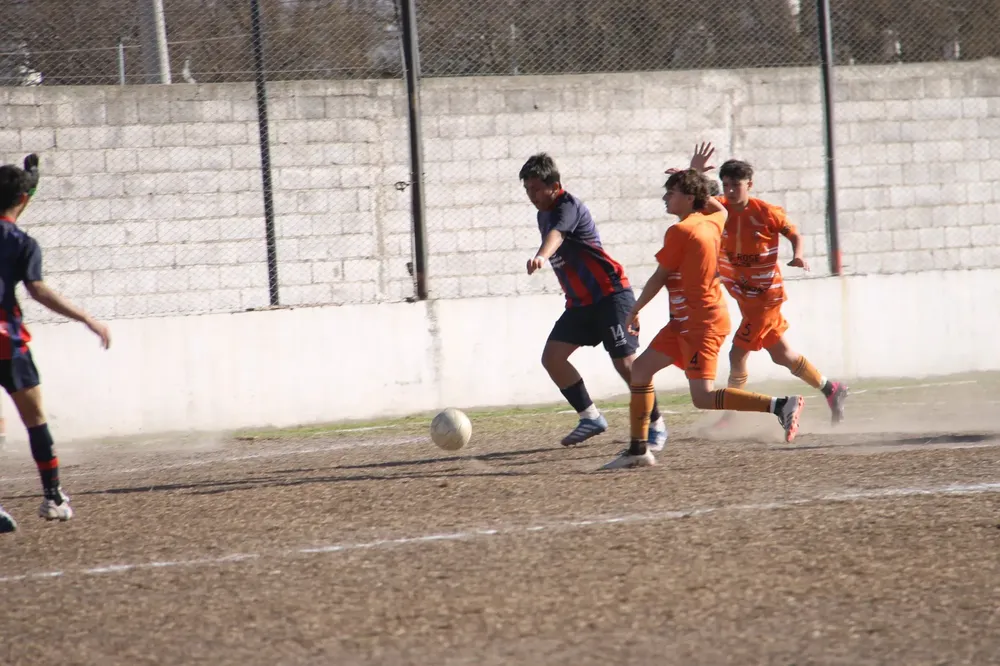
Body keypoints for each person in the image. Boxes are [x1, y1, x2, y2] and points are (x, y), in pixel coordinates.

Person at [601, 166, 805, 470]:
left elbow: (660, 276)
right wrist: (691, 172)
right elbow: (717, 204)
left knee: (703, 397)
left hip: (701, 324)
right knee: (641, 371)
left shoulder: (682, 231)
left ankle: (779, 405)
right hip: (685, 321)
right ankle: (638, 449)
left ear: (688, 196)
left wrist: (635, 309)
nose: (665, 198)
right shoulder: (714, 219)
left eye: (671, 192)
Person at [694, 143, 848, 428]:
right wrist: (695, 171)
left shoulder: (766, 212)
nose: (729, 190)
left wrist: (798, 255)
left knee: (737, 353)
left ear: (749, 184)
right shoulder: (721, 209)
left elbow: (794, 235)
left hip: (765, 296)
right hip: (744, 294)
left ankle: (731, 414)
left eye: (736, 185)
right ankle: (832, 389)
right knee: (782, 355)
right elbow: (693, 199)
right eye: (725, 185)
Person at [520, 153, 667, 450]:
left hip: (610, 295)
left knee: (627, 365)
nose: (531, 195)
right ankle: (590, 417)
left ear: (555, 185)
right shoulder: (542, 213)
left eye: (536, 188)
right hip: (581, 303)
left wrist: (541, 256)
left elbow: (557, 236)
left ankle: (656, 424)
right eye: (527, 189)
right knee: (552, 358)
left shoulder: (567, 206)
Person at [0, 154, 111, 531]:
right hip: (7, 343)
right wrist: (87, 318)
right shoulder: (22, 242)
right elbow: (38, 291)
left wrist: (27, 180)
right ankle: (52, 497)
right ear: (24, 201)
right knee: (35, 420)